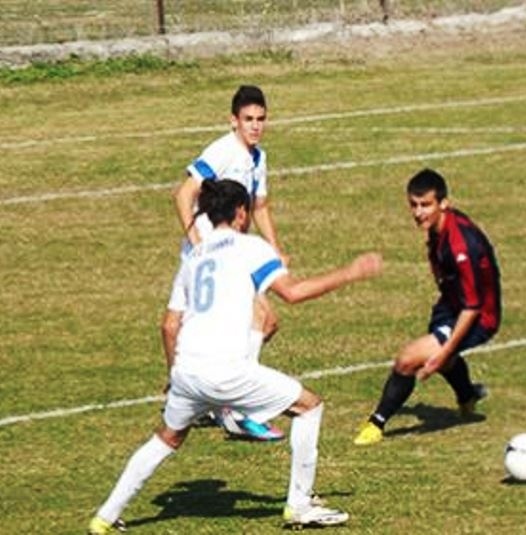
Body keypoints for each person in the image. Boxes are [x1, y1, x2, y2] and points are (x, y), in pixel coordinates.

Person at [88, 180, 383, 534]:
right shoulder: (250, 248)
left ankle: (104, 517)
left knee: (166, 438)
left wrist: (174, 376)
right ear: (241, 212)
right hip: (226, 372)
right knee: (309, 407)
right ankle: (300, 506)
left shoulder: (194, 256)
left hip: (187, 371)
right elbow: (293, 293)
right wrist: (350, 272)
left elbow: (169, 326)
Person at [161, 85, 286, 440]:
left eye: (261, 119)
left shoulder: (258, 158)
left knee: (264, 321)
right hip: (209, 252)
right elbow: (183, 193)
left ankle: (209, 399)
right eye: (248, 119)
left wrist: (275, 248)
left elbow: (260, 206)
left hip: (232, 252)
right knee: (173, 326)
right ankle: (216, 400)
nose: (255, 126)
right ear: (233, 121)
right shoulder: (222, 151)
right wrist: (197, 242)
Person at [353, 168, 501, 446]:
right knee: (441, 355)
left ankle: (376, 423)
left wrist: (443, 353)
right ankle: (468, 395)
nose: (419, 212)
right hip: (451, 304)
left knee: (408, 359)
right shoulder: (440, 228)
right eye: (414, 205)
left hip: (478, 316)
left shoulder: (461, 245)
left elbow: (473, 307)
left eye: (426, 205)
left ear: (444, 203)